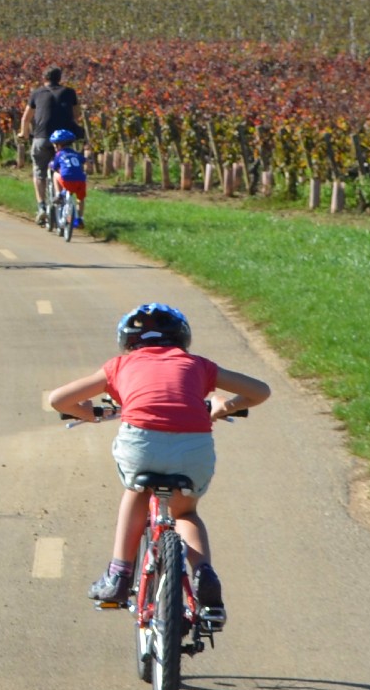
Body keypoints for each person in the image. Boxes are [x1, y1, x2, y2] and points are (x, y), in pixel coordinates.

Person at [41, 303, 271, 626]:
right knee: (186, 513)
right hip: (193, 446)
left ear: (128, 341)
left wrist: (91, 414)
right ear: (181, 339)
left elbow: (58, 400)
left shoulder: (119, 366)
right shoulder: (197, 365)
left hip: (142, 445)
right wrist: (222, 406)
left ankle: (119, 576)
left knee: (136, 490)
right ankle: (204, 574)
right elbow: (261, 391)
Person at [16, 67, 82, 224]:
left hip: (41, 137)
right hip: (64, 140)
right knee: (61, 168)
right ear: (60, 78)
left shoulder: (37, 93)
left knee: (39, 172)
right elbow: (77, 115)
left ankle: (42, 208)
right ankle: (63, 198)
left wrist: (23, 134)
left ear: (44, 78)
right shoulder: (69, 92)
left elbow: (26, 119)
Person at [45, 128, 89, 230]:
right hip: (81, 181)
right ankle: (80, 219)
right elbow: (85, 161)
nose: (55, 147)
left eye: (55, 145)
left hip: (67, 181)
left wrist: (50, 165)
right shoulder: (76, 154)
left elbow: (55, 167)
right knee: (80, 199)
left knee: (55, 175)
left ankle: (59, 194)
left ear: (59, 145)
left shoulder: (59, 154)